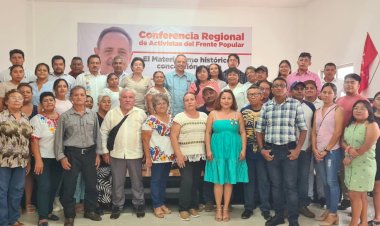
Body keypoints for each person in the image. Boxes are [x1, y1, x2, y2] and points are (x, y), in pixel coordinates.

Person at [256, 77, 308, 226]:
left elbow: (303, 129)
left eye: (282, 86)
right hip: (271, 151)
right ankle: (279, 216)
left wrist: (297, 150)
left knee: (290, 186)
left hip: (289, 150)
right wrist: (262, 150)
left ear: (286, 89)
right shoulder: (266, 106)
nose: (278, 88)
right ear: (272, 89)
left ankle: (293, 219)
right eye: (276, 86)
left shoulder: (295, 104)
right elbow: (259, 131)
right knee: (276, 186)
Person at [54, 86, 103, 226]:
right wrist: (61, 157)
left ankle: (90, 210)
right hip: (71, 154)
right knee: (69, 186)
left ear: (86, 97)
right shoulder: (65, 116)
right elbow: (59, 139)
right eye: (76, 95)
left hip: (90, 153)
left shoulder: (92, 114)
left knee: (92, 185)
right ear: (71, 98)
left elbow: (97, 135)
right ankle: (69, 215)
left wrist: (98, 154)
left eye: (82, 95)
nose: (79, 97)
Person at [100, 88, 147, 219]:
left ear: (134, 100)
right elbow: (103, 132)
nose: (127, 100)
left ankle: (139, 203)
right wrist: (105, 151)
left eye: (130, 97)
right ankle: (117, 204)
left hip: (136, 153)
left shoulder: (141, 113)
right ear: (120, 99)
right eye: (125, 97)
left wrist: (146, 152)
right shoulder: (111, 113)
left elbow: (146, 135)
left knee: (137, 181)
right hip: (116, 153)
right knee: (117, 181)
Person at [204, 89, 248, 222]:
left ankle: (226, 208)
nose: (226, 101)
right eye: (223, 98)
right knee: (218, 180)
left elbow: (243, 132)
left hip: (234, 150)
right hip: (217, 150)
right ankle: (218, 208)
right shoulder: (213, 114)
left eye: (229, 98)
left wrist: (243, 149)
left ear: (233, 100)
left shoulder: (238, 114)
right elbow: (207, 133)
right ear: (219, 100)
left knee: (229, 180)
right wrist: (208, 150)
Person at [342, 100, 380, 226]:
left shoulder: (372, 125)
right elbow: (343, 140)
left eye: (362, 108)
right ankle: (363, 222)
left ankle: (353, 223)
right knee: (361, 195)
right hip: (350, 165)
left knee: (354, 196)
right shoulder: (350, 124)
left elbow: (365, 147)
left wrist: (349, 156)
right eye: (356, 108)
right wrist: (348, 149)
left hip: (364, 165)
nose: (358, 110)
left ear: (369, 111)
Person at [170, 92, 207, 221]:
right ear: (183, 103)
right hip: (185, 156)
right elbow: (173, 136)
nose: (190, 102)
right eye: (187, 100)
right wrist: (178, 155)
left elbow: (207, 134)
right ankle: (183, 208)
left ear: (196, 102)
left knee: (196, 182)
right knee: (187, 181)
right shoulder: (179, 117)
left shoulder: (204, 116)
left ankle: (192, 206)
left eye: (192, 99)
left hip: (200, 154)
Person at [311, 83, 344, 225]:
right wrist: (314, 148)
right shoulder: (317, 111)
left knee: (332, 182)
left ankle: (333, 213)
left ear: (335, 95)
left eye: (329, 92)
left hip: (331, 152)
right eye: (324, 92)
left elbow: (337, 132)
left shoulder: (338, 109)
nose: (326, 95)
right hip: (318, 152)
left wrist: (326, 150)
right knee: (324, 182)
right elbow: (314, 132)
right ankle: (329, 209)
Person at [0, 89, 33, 226]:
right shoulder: (1, 117)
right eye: (13, 97)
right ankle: (2, 221)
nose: (17, 100)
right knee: (1, 192)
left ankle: (13, 219)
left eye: (20, 98)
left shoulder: (26, 118)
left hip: (21, 161)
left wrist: (28, 160)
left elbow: (28, 140)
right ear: (6, 101)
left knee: (17, 190)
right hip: (3, 161)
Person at [336, 73, 367, 210]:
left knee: (357, 173)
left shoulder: (363, 101)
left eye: (352, 82)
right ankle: (346, 198)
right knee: (343, 171)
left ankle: (358, 204)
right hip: (340, 141)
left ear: (358, 85)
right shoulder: (339, 100)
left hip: (356, 143)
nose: (349, 84)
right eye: (347, 82)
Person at [30, 92, 62, 226]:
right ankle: (42, 216)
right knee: (44, 186)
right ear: (41, 104)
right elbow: (33, 141)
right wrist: (38, 160)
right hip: (42, 158)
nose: (49, 102)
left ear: (55, 102)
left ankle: (49, 211)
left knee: (54, 186)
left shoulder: (62, 118)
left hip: (58, 158)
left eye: (51, 100)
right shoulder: (37, 119)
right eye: (45, 101)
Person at [240, 86, 271, 220]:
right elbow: (240, 131)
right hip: (248, 151)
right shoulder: (243, 111)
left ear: (261, 95)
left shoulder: (268, 109)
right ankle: (248, 207)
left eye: (255, 94)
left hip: (264, 151)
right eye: (250, 95)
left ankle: (265, 208)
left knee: (264, 180)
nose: (252, 97)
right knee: (249, 180)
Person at [142, 93, 175, 218]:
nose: (161, 106)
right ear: (154, 106)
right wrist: (148, 157)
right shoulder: (150, 119)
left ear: (167, 105)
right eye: (158, 104)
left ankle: (162, 203)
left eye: (164, 103)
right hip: (156, 156)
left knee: (164, 181)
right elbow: (145, 140)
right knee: (156, 181)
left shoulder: (172, 118)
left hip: (169, 155)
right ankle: (156, 205)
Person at [289, 81, 316, 219]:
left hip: (305, 148)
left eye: (302, 89)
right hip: (289, 149)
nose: (299, 91)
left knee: (303, 178)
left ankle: (302, 205)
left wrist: (312, 144)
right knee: (289, 179)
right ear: (291, 91)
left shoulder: (310, 106)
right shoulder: (286, 104)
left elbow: (314, 128)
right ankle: (290, 206)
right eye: (296, 89)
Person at [196, 86, 218, 212]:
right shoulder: (199, 111)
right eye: (206, 94)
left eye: (211, 93)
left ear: (216, 94)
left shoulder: (223, 109)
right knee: (207, 175)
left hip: (220, 146)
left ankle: (222, 201)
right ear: (202, 98)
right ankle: (208, 200)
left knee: (222, 173)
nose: (209, 95)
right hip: (204, 147)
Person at [18, 83, 39, 214]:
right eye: (22, 91)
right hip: (17, 149)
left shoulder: (38, 108)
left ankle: (28, 203)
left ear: (32, 94)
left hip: (35, 147)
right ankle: (16, 204)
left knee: (30, 175)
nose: (25, 94)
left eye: (28, 91)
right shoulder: (12, 110)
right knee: (19, 176)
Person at [95, 94, 112, 215]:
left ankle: (107, 203)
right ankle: (98, 204)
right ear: (98, 104)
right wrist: (97, 153)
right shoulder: (94, 117)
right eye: (104, 102)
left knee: (108, 179)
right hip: (98, 152)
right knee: (99, 179)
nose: (106, 104)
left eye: (109, 102)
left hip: (111, 152)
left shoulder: (112, 116)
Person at [369, 92, 380, 226]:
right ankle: (377, 216)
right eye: (378, 98)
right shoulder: (369, 118)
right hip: (372, 155)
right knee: (376, 188)